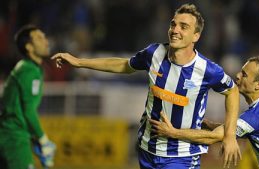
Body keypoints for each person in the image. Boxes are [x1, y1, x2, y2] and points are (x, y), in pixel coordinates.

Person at [51, 4, 241, 169]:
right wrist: (78, 62)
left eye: (184, 27)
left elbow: (232, 91)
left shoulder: (207, 69)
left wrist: (230, 135)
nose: (175, 30)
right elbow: (124, 65)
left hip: (182, 155)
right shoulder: (154, 53)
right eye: (173, 24)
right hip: (147, 148)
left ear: (196, 36)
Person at [150, 56, 259, 168]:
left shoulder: (256, 115)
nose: (237, 75)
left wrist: (172, 133)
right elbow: (248, 129)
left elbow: (214, 137)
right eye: (241, 71)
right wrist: (210, 124)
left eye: (244, 75)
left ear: (258, 85)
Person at [0, 25, 56, 169]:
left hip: (9, 135)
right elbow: (28, 111)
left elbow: (13, 108)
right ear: (29, 47)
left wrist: (33, 137)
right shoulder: (29, 71)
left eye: (44, 36)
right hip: (14, 138)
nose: (46, 41)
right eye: (39, 38)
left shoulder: (26, 68)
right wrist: (43, 139)